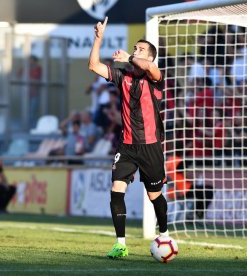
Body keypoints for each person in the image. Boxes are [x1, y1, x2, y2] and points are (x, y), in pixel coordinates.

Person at [88, 17, 168, 259]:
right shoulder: (123, 76)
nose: (136, 51)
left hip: (151, 146)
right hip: (127, 145)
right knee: (116, 190)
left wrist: (130, 58)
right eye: (135, 48)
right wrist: (98, 39)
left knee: (154, 196)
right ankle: (120, 244)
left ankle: (164, 235)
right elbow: (94, 66)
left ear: (150, 57)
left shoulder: (154, 78)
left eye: (141, 50)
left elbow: (153, 69)